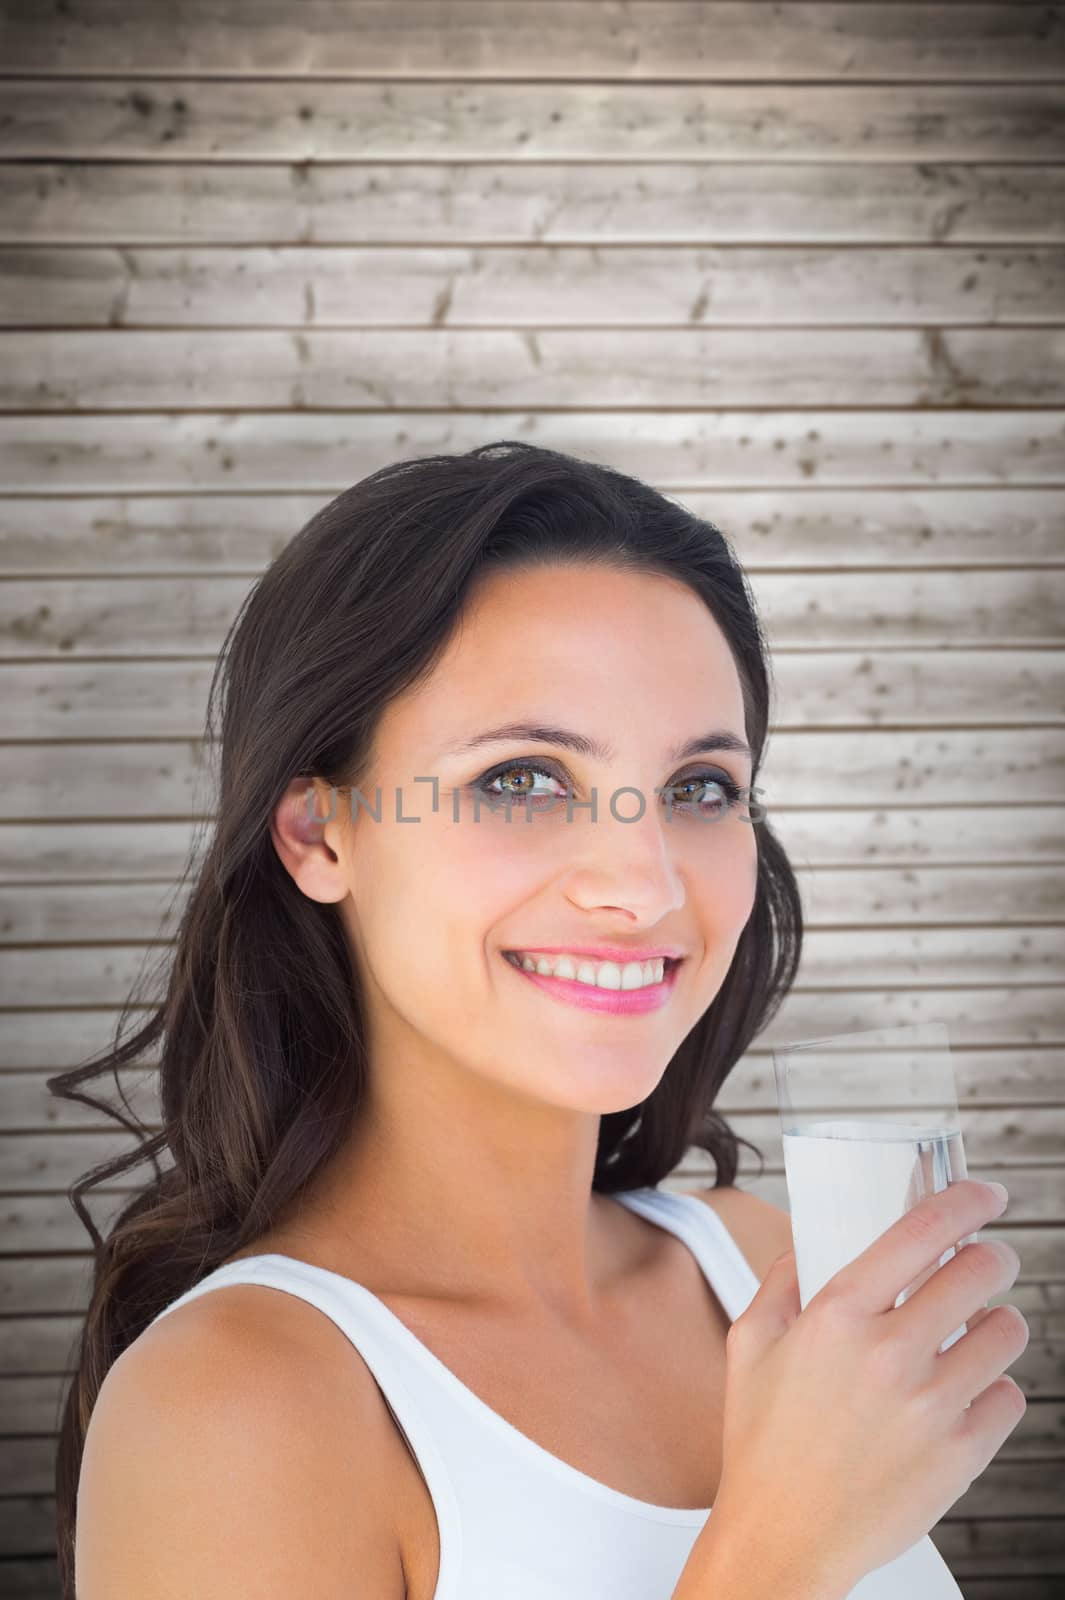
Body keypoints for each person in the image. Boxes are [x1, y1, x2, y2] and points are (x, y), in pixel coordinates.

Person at [54, 442, 1026, 1599]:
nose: (646, 882)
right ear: (320, 833)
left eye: (699, 787)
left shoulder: (775, 1272)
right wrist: (779, 1553)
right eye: (523, 778)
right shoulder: (235, 1404)